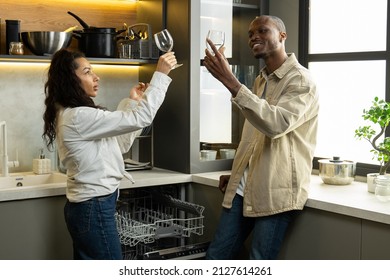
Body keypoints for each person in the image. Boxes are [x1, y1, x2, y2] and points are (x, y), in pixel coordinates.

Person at [42, 49, 177, 260]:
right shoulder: (79, 116)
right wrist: (160, 75)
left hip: (90, 208)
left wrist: (134, 101)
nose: (96, 77)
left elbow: (120, 144)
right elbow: (141, 118)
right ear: (70, 79)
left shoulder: (76, 115)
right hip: (94, 208)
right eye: (87, 72)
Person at [203, 15, 319, 260]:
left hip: (276, 190)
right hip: (245, 187)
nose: (254, 36)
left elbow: (276, 125)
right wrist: (239, 169)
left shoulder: (300, 80)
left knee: (259, 262)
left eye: (263, 30)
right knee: (215, 258)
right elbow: (256, 135)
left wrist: (231, 82)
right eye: (250, 33)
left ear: (282, 36)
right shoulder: (260, 79)